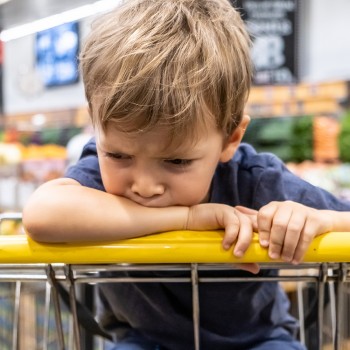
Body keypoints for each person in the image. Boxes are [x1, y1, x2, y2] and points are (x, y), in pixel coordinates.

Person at [22, 0, 350, 349]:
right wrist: (189, 217)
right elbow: (42, 215)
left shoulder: (255, 180)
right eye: (118, 155)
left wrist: (316, 219)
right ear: (95, 125)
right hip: (145, 339)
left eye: (177, 161)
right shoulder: (95, 175)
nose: (145, 186)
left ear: (231, 139)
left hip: (257, 339)